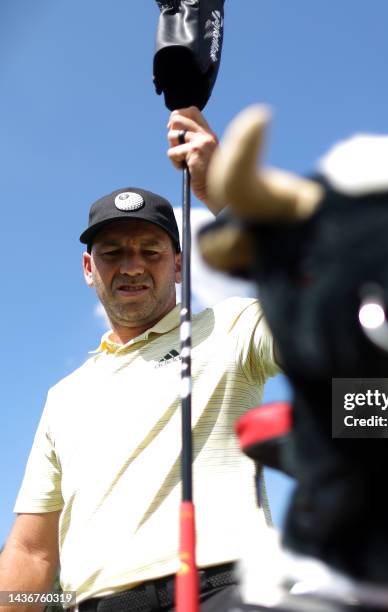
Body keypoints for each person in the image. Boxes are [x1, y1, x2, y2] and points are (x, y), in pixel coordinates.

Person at [0, 107, 280, 612]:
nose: (131, 266)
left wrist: (225, 196)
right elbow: (32, 550)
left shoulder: (235, 327)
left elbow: (318, 291)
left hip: (226, 588)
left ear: (178, 265)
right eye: (113, 253)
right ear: (89, 269)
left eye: (150, 251)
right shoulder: (63, 396)